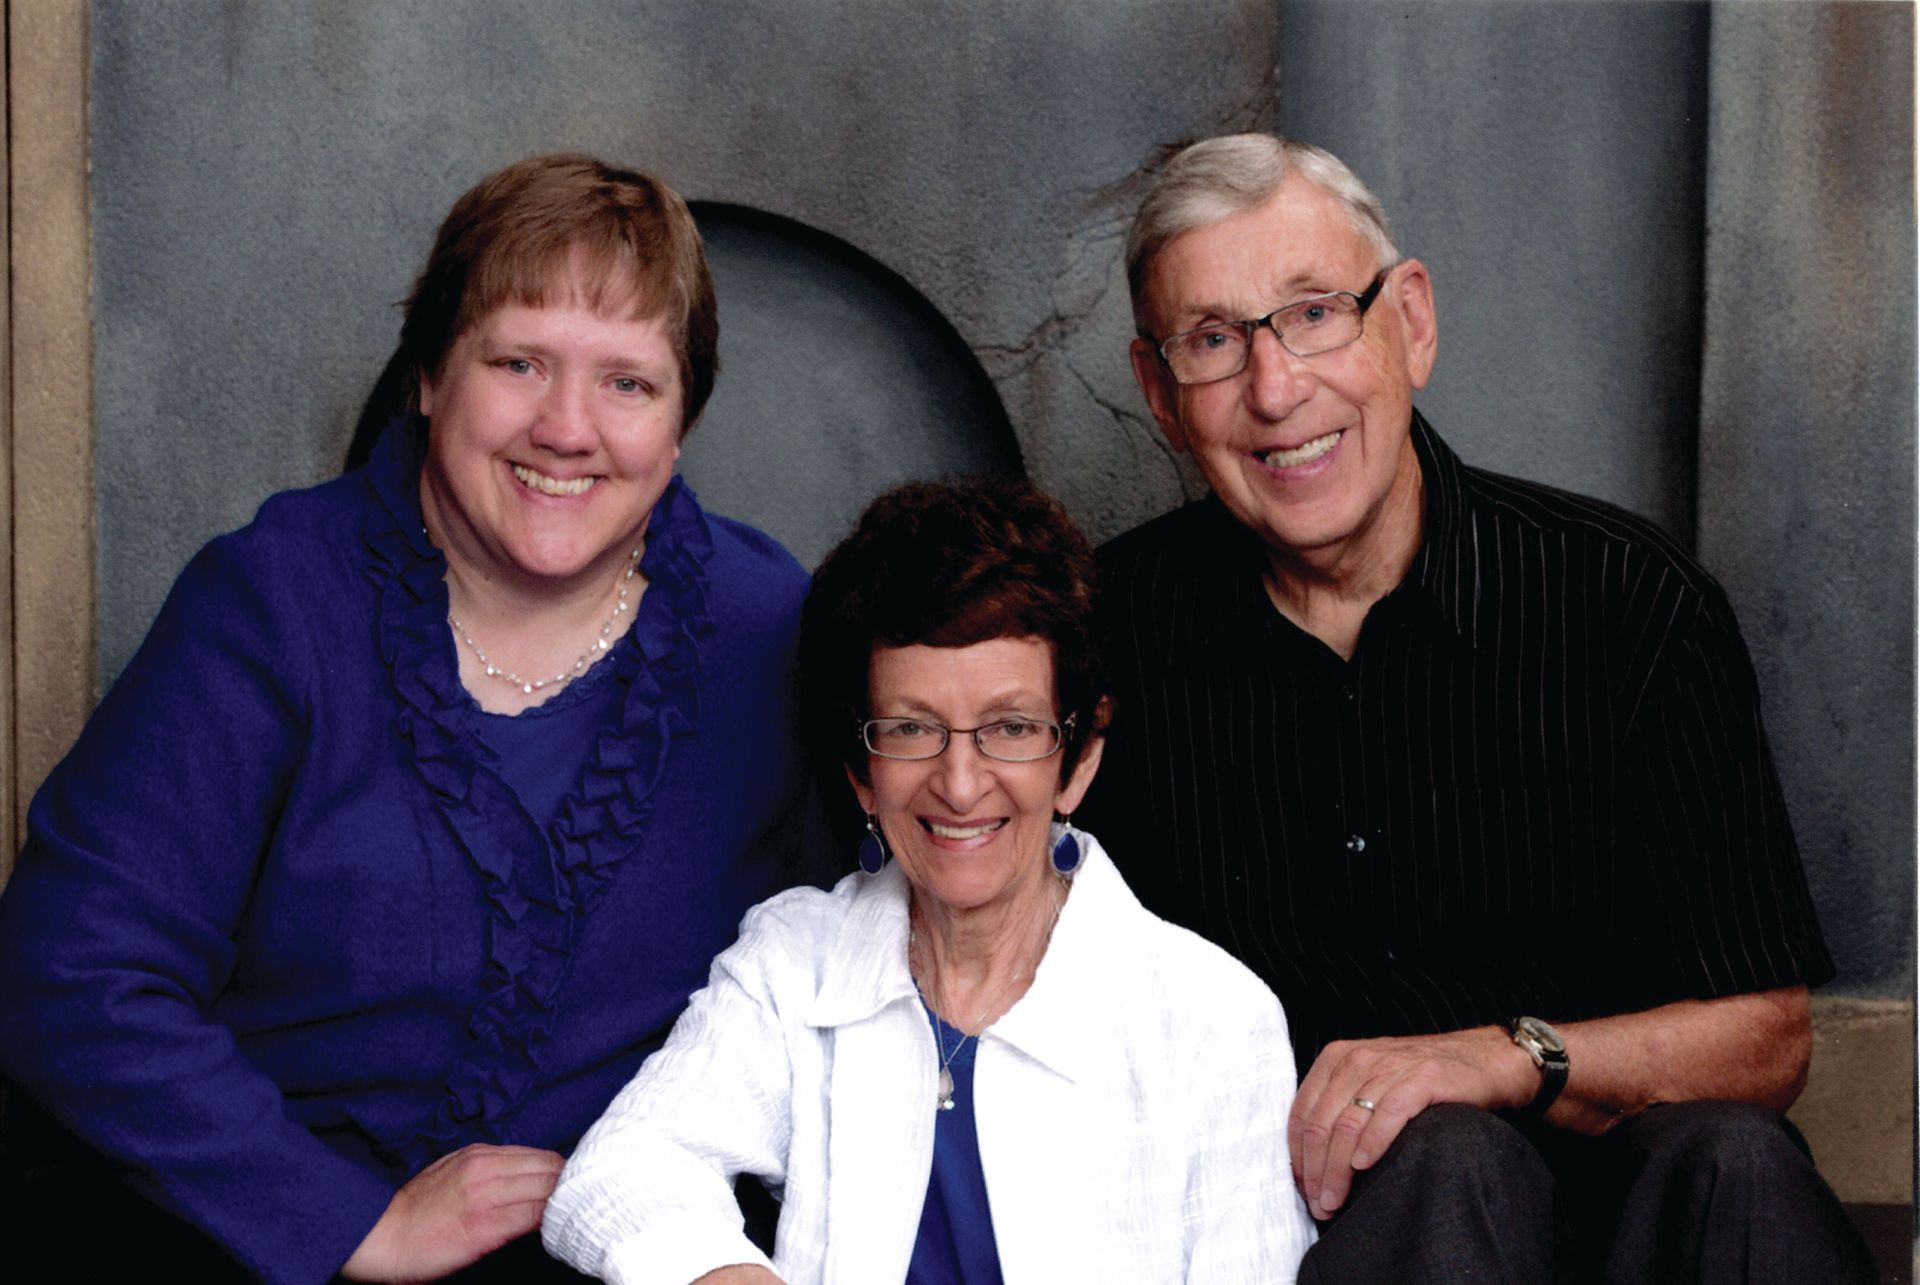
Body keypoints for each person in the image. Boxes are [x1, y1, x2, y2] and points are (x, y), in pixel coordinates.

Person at [0, 154, 817, 1283]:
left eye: (627, 383)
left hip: (617, 1249)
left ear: (681, 424)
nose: (568, 428)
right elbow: (71, 970)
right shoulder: (278, 600)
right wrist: (348, 1222)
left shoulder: (773, 629)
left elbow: (875, 951)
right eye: (519, 362)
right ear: (431, 375)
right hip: (247, 1238)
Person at [1077, 133, 1876, 1282]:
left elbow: (1768, 1037)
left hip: (1641, 1226)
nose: (1275, 387)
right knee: (1448, 1163)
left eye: (1314, 313)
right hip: (1311, 1233)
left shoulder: (1623, 600)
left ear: (1410, 321)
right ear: (1159, 394)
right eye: (1213, 341)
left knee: (1738, 1162)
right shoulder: (1105, 639)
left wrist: (1510, 1057)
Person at [541, 479, 1316, 1283]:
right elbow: (617, 1172)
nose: (959, 782)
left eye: (1010, 728)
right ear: (862, 772)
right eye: (912, 729)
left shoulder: (1215, 1020)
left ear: (1079, 760)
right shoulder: (796, 960)